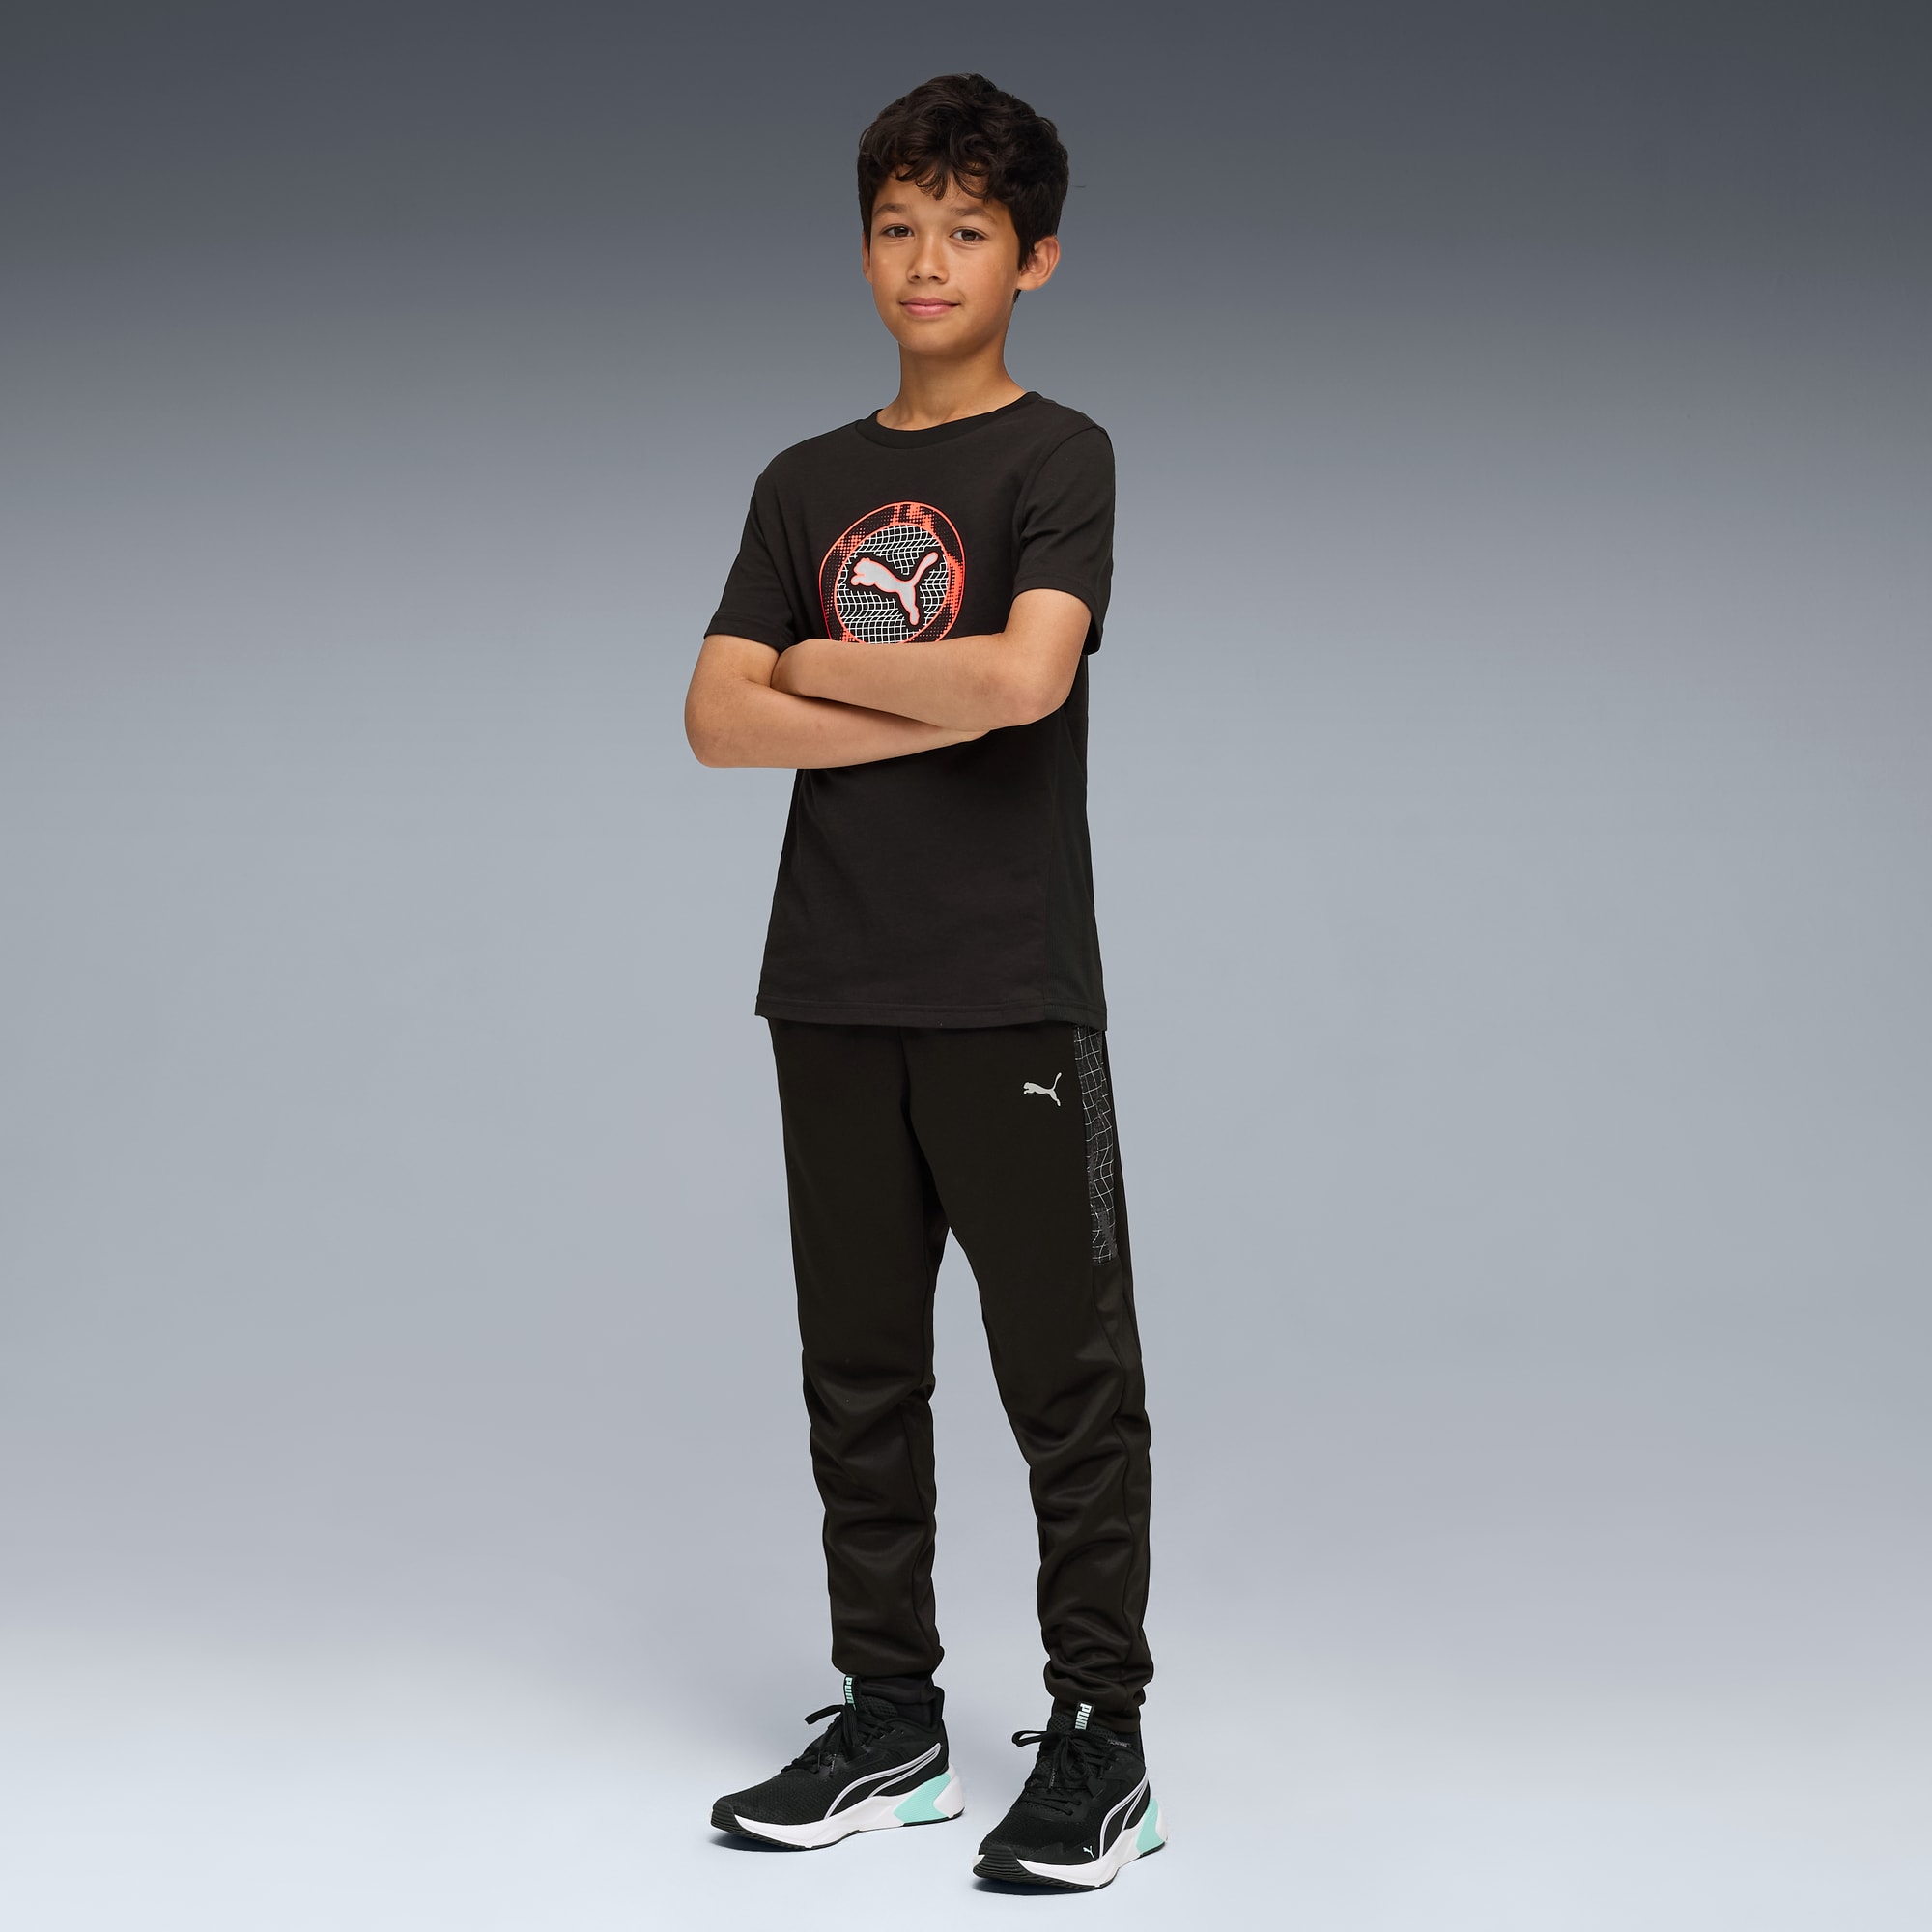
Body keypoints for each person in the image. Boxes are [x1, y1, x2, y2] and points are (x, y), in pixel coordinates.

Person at [682, 72, 1160, 1892]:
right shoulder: (803, 480)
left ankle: (1103, 1739)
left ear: (1036, 260)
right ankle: (889, 1718)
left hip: (1008, 989)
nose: (927, 259)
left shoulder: (1060, 458)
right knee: (860, 1373)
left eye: (968, 228)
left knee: (1068, 1381)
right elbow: (714, 721)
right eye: (898, 225)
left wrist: (817, 660)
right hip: (829, 981)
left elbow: (1027, 683)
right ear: (864, 247)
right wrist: (920, 691)